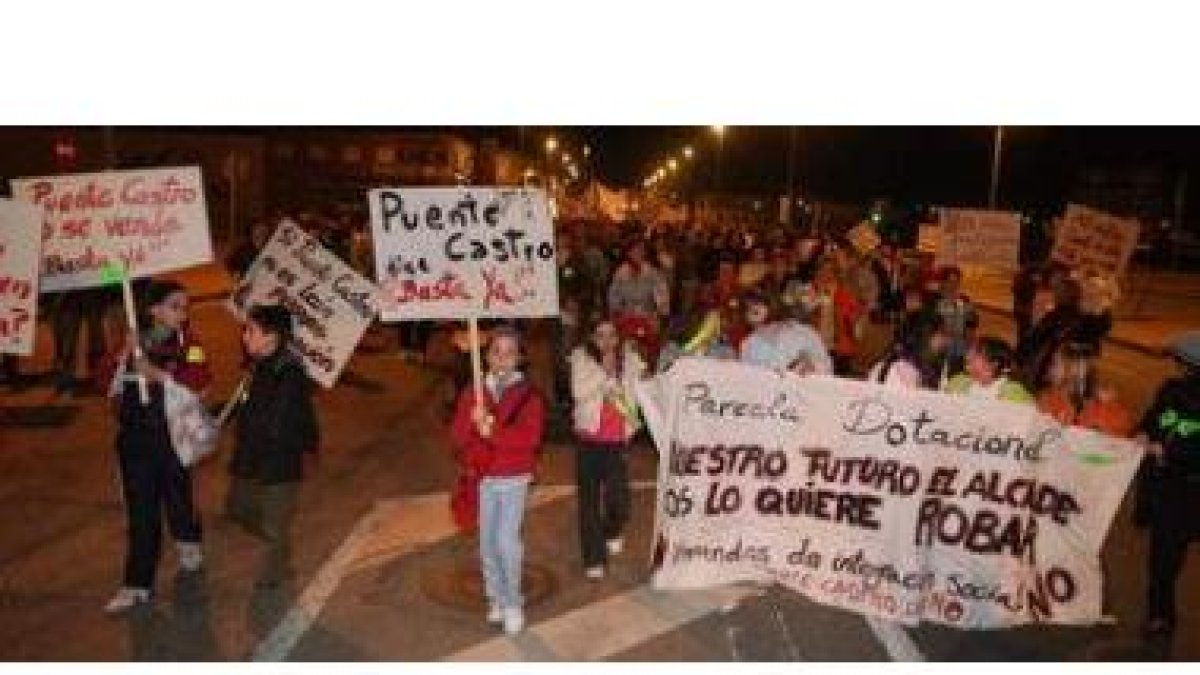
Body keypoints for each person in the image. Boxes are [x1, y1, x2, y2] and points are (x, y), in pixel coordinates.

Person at [97, 280, 212, 613]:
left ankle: (188, 540)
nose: (183, 313)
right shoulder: (131, 342)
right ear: (153, 310)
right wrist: (123, 356)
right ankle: (137, 584)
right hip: (135, 441)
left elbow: (200, 383)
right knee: (141, 511)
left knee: (178, 497)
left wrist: (159, 375)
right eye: (175, 306)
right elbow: (103, 382)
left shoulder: (189, 343)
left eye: (185, 306)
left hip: (174, 436)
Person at [449, 326, 545, 635]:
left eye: (509, 352)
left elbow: (530, 439)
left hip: (514, 477)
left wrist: (493, 432)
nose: (502, 358)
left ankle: (513, 601)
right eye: (496, 351)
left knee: (506, 540)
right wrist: (471, 418)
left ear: (520, 357)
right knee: (487, 541)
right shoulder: (473, 391)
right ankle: (495, 597)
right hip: (483, 477)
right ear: (486, 356)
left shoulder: (529, 395)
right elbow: (457, 438)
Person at [225, 304, 319, 588]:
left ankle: (275, 571)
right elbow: (244, 404)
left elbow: (278, 423)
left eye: (251, 330)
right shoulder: (258, 365)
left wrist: (255, 435)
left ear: (272, 336)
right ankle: (278, 544)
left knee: (274, 523)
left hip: (279, 462)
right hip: (251, 458)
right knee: (238, 508)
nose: (244, 336)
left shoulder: (290, 374)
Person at [1133, 331, 1200, 640]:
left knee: (1168, 554)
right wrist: (1144, 433)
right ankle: (1160, 614)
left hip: (1192, 488)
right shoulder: (1172, 390)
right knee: (1163, 557)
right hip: (1168, 491)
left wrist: (1168, 451)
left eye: (1179, 360)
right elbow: (1153, 418)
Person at [569, 314, 646, 581]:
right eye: (600, 335)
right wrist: (605, 371)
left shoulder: (631, 359)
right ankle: (594, 557)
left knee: (619, 502)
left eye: (611, 334)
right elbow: (579, 392)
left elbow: (643, 389)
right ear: (591, 337)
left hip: (616, 442)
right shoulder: (581, 358)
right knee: (588, 504)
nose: (606, 340)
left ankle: (612, 530)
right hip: (588, 441)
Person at [1037, 342, 1132, 437]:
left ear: (1075, 368)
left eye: (1054, 363)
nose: (1048, 368)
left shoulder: (1105, 403)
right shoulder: (1048, 398)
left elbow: (1124, 433)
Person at [943, 336, 1033, 404]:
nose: (967, 356)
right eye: (969, 351)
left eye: (976, 354)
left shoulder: (1015, 393)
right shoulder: (958, 381)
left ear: (994, 363)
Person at [934, 266, 978, 376]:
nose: (953, 285)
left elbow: (971, 325)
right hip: (939, 347)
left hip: (959, 349)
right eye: (950, 281)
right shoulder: (934, 299)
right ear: (942, 282)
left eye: (956, 282)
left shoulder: (964, 300)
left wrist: (971, 345)